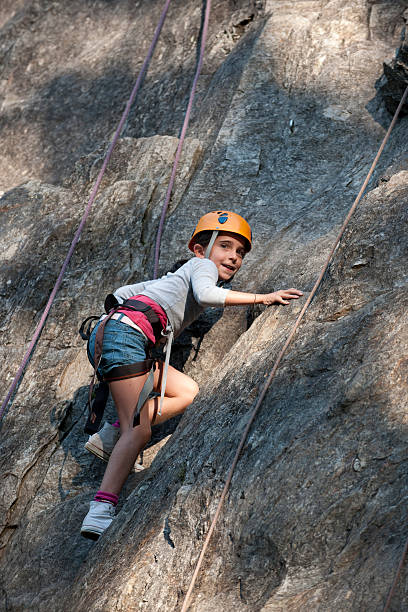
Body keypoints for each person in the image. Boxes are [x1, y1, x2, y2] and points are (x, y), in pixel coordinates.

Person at [80, 210, 303, 539]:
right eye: (224, 246)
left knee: (187, 391)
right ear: (200, 250)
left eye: (240, 252)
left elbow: (123, 292)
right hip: (126, 337)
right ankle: (101, 508)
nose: (233, 256)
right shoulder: (202, 267)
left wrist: (116, 321)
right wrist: (264, 298)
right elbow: (206, 295)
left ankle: (111, 436)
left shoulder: (179, 274)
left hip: (118, 336)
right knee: (138, 432)